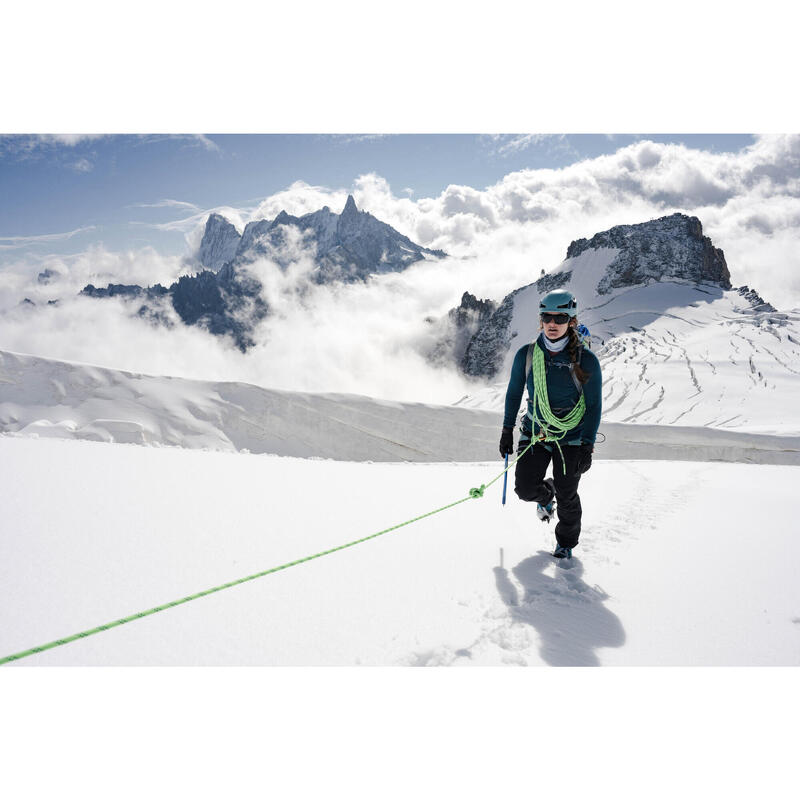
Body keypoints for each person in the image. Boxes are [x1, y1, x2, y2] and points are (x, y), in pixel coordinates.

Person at [499, 289, 602, 559]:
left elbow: (593, 406)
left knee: (568, 494)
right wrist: (507, 429)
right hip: (536, 431)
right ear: (541, 320)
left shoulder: (585, 359)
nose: (552, 323)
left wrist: (587, 445)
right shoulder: (528, 354)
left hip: (572, 437)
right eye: (547, 317)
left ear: (571, 321)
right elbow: (513, 392)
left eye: (560, 317)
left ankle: (565, 542)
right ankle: (546, 495)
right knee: (524, 487)